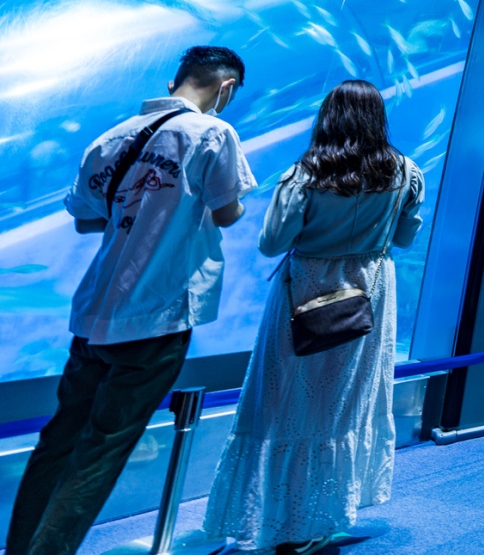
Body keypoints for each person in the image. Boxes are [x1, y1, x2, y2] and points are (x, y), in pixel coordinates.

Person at [8, 46, 254, 555]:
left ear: (173, 83)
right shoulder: (212, 133)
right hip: (156, 314)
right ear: (226, 88)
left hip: (94, 314)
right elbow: (227, 213)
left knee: (58, 442)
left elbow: (84, 217)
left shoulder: (109, 138)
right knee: (102, 451)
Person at [202, 80, 424, 554]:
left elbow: (271, 243)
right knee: (346, 400)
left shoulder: (305, 174)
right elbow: (404, 239)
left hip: (306, 291)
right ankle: (326, 513)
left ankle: (281, 518)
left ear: (327, 118)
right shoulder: (407, 172)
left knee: (285, 400)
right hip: (370, 290)